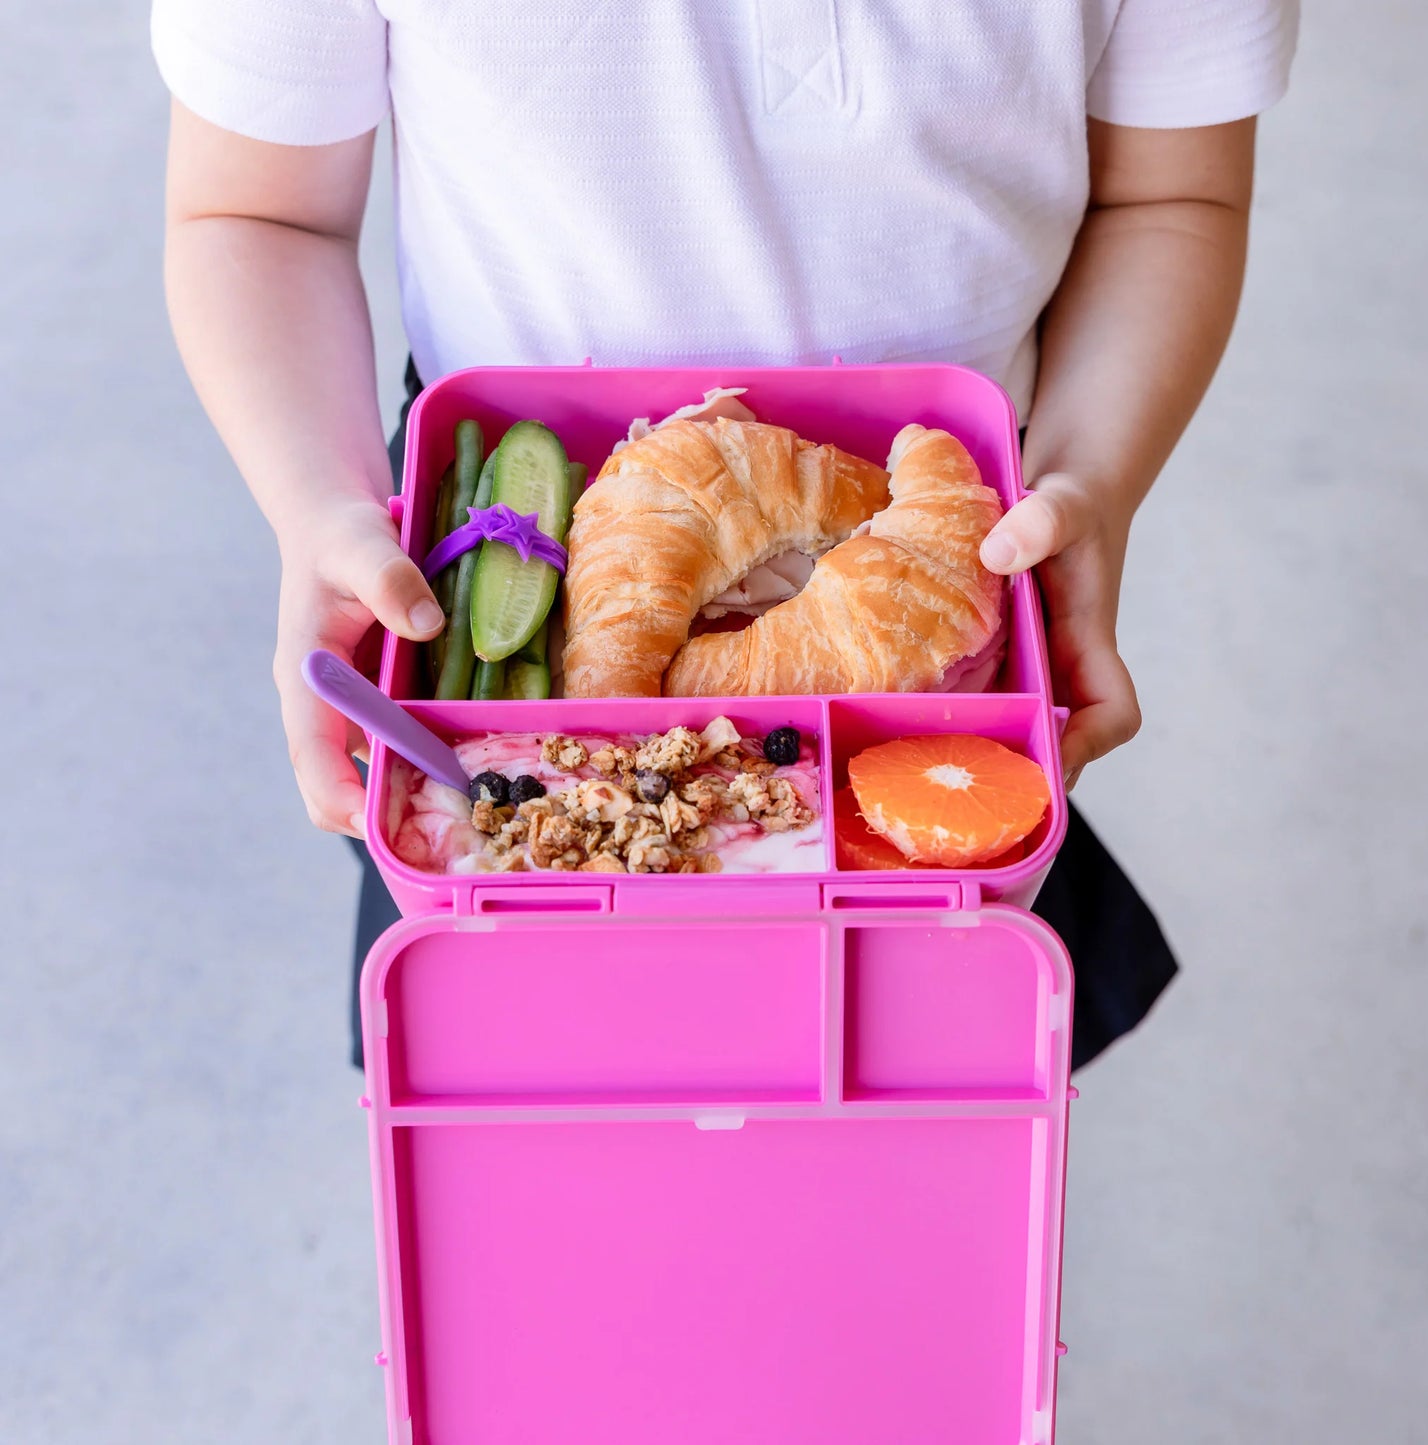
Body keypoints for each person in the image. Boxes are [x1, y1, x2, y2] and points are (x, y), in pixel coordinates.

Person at [153, 0, 1299, 1070]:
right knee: (534, 1098)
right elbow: (257, 209)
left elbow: (1168, 194)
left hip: (937, 585)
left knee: (914, 1096)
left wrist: (1091, 474)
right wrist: (318, 506)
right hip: (514, 569)